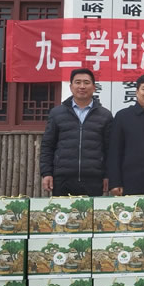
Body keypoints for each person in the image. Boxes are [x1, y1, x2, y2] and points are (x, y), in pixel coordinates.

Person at [40, 68, 112, 196]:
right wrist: (46, 173)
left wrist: (108, 175)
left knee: (91, 210)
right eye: (78, 82)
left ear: (94, 87)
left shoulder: (105, 115)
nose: (82, 86)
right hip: (62, 179)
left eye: (86, 82)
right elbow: (47, 145)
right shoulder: (57, 113)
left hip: (93, 178)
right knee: (62, 210)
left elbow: (109, 149)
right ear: (71, 87)